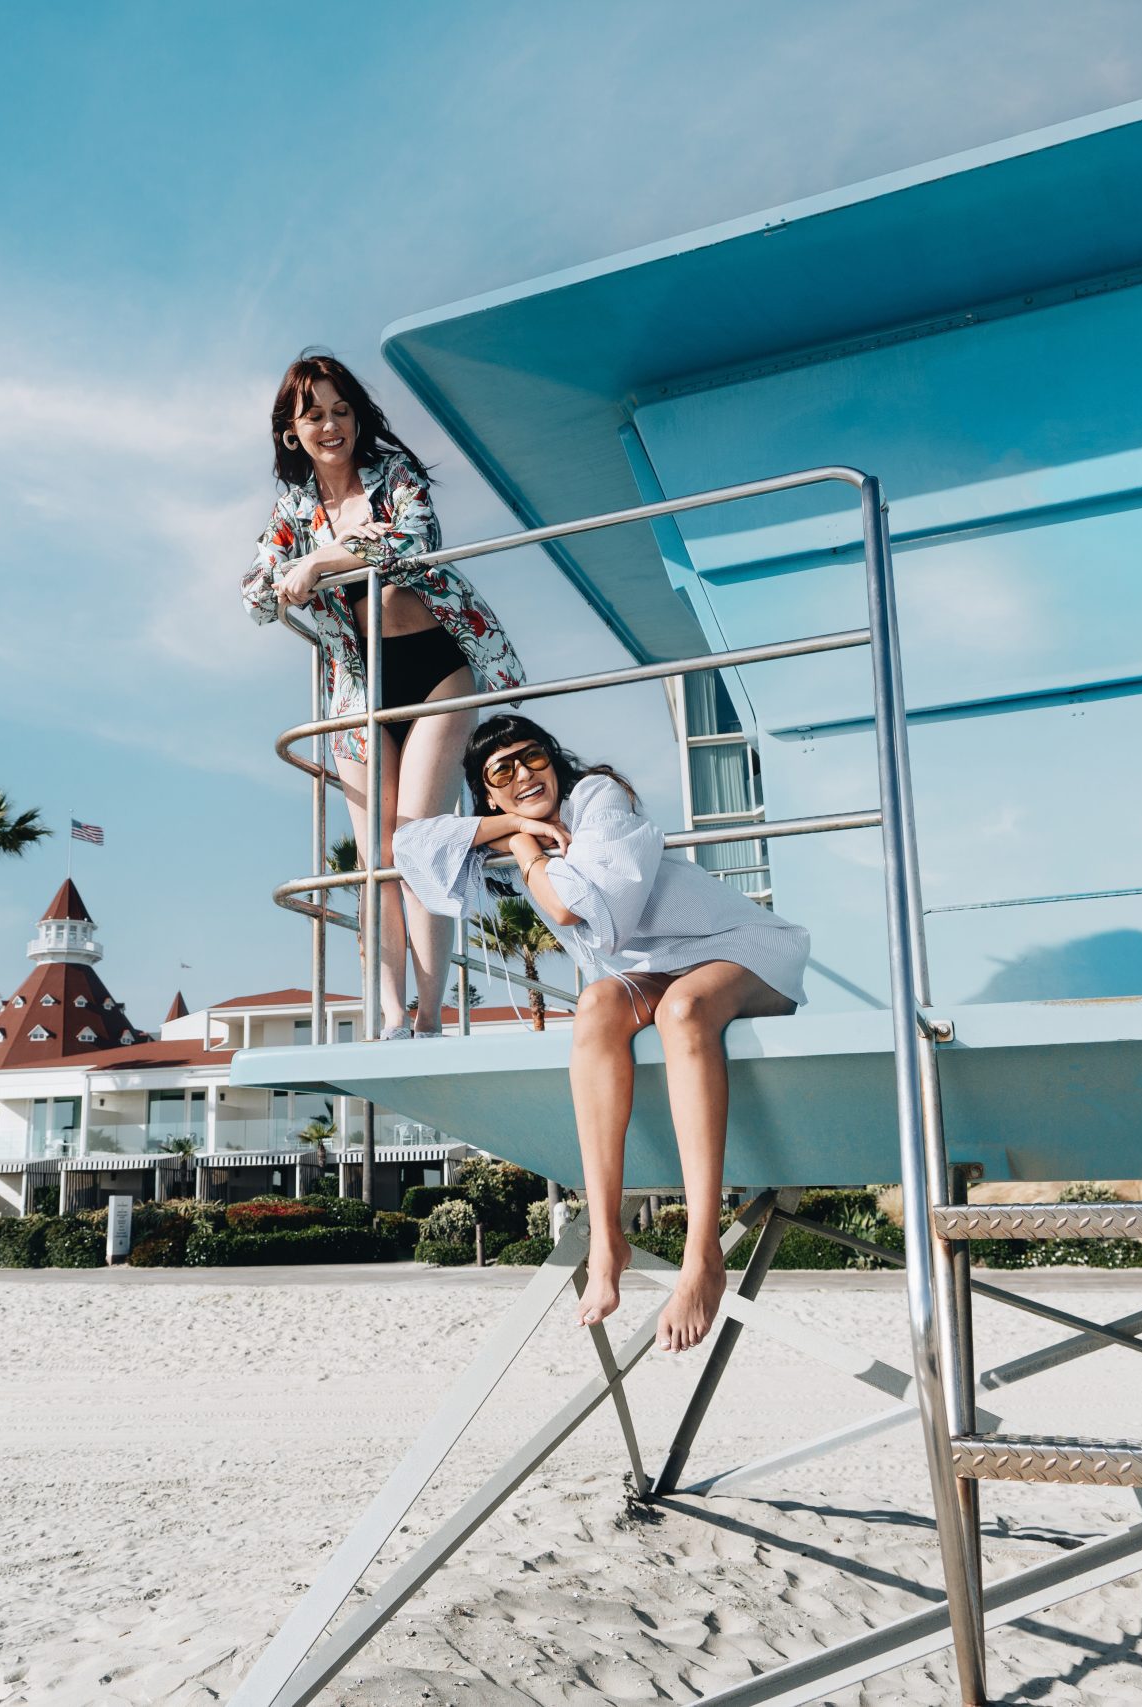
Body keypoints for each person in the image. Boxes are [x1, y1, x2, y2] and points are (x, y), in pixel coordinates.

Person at [395, 715, 808, 1352]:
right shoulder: (517, 827)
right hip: (653, 969)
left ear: (553, 761)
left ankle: (703, 1255)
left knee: (683, 1012)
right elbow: (409, 846)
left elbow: (573, 907)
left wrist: (527, 849)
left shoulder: (597, 799)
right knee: (593, 1006)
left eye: (531, 758)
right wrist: (515, 828)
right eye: (501, 772)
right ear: (490, 795)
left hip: (743, 951)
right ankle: (607, 1233)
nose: (523, 775)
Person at [243, 351, 525, 1039]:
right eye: (315, 415)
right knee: (377, 862)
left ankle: (432, 1014)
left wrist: (320, 562)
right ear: (291, 430)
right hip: (358, 686)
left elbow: (414, 539)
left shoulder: (393, 476)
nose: (331, 425)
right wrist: (301, 563)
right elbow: (256, 595)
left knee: (420, 843)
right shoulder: (292, 510)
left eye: (342, 410)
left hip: (434, 667)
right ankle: (390, 1011)